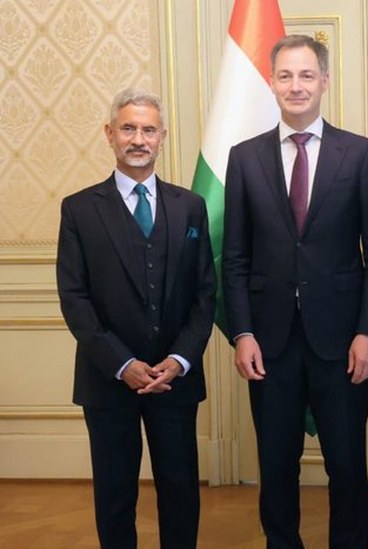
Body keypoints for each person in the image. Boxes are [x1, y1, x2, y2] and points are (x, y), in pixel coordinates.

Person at [222, 35, 368, 549]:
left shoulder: (359, 153)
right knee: (276, 463)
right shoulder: (244, 157)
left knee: (347, 463)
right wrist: (242, 333)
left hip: (342, 340)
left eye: (306, 75)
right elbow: (235, 257)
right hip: (269, 341)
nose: (296, 85)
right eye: (285, 76)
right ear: (272, 83)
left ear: (324, 81)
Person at [56, 89, 217, 549]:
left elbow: (205, 293)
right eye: (128, 128)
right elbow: (75, 298)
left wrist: (180, 360)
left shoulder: (190, 206)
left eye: (148, 130)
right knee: (114, 494)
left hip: (174, 381)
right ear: (110, 134)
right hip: (107, 380)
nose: (138, 139)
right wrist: (122, 364)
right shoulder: (79, 209)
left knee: (181, 492)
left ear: (162, 137)